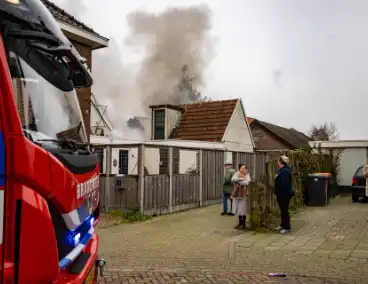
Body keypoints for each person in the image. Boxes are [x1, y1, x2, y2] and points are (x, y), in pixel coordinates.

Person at [274, 155, 294, 234]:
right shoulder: (282, 170)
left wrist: (279, 191)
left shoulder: (285, 171)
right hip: (282, 194)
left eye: (278, 161)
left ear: (280, 162)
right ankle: (282, 225)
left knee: (285, 210)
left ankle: (287, 227)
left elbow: (284, 183)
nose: (277, 162)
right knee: (282, 210)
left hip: (284, 194)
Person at [231, 164, 251, 230]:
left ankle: (243, 224)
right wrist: (241, 178)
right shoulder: (237, 173)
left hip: (244, 195)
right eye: (241, 168)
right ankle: (240, 223)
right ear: (239, 169)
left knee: (243, 209)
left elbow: (246, 183)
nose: (242, 169)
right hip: (237, 194)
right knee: (238, 209)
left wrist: (238, 181)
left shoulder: (247, 175)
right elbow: (233, 179)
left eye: (244, 168)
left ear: (246, 169)